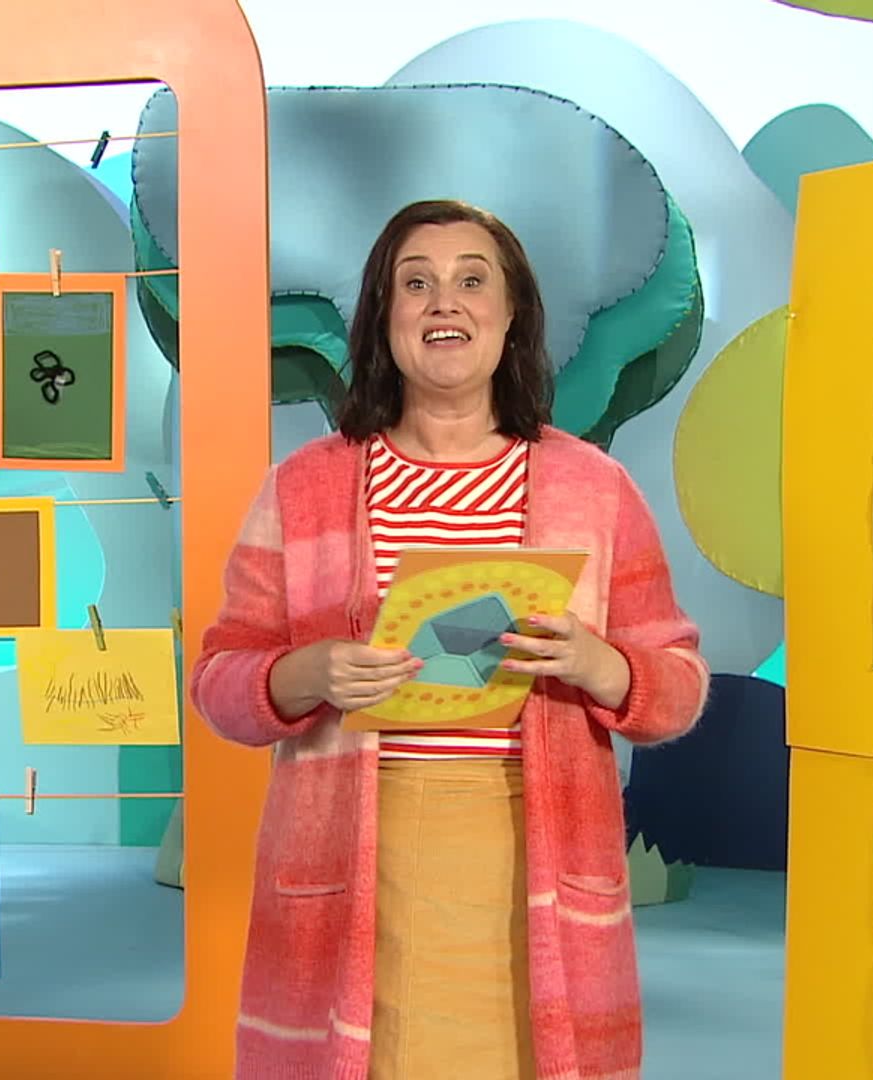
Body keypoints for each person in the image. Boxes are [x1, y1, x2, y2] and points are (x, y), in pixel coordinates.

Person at [189, 198, 710, 1078]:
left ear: (512, 317)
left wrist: (602, 665)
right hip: (356, 857)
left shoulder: (595, 488)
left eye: (473, 281)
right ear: (382, 316)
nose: (445, 303)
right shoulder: (303, 488)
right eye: (415, 283)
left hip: (534, 853)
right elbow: (218, 682)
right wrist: (302, 674)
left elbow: (680, 685)